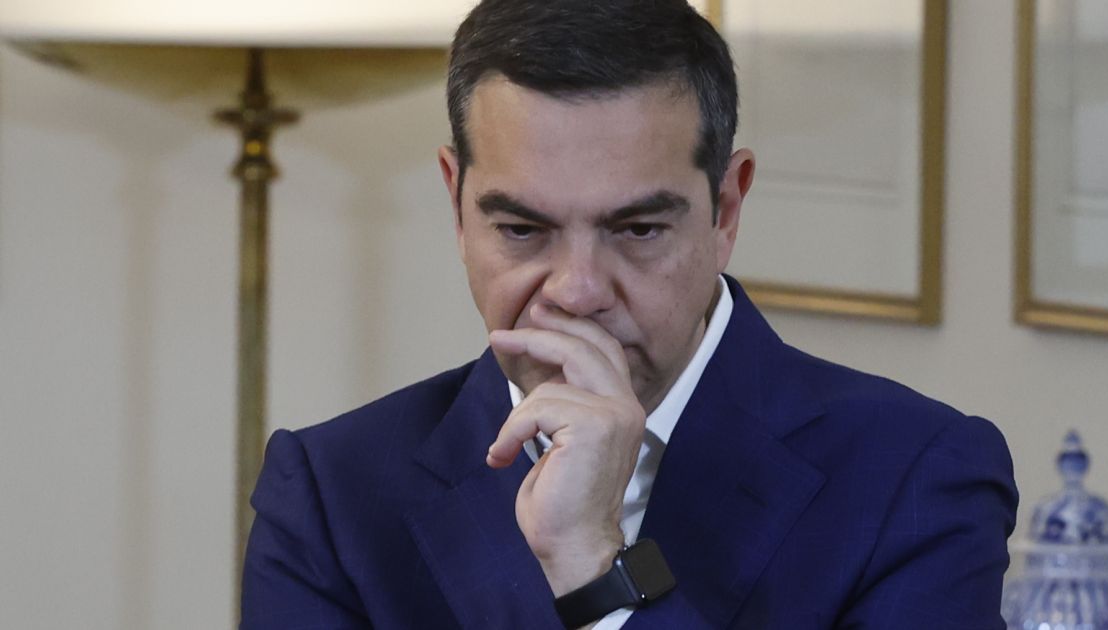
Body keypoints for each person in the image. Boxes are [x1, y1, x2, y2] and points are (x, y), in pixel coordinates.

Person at [240, 0, 1018, 628]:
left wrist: (594, 569)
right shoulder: (331, 496)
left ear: (726, 208)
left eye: (637, 230)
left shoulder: (915, 479)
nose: (577, 291)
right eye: (522, 230)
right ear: (456, 202)